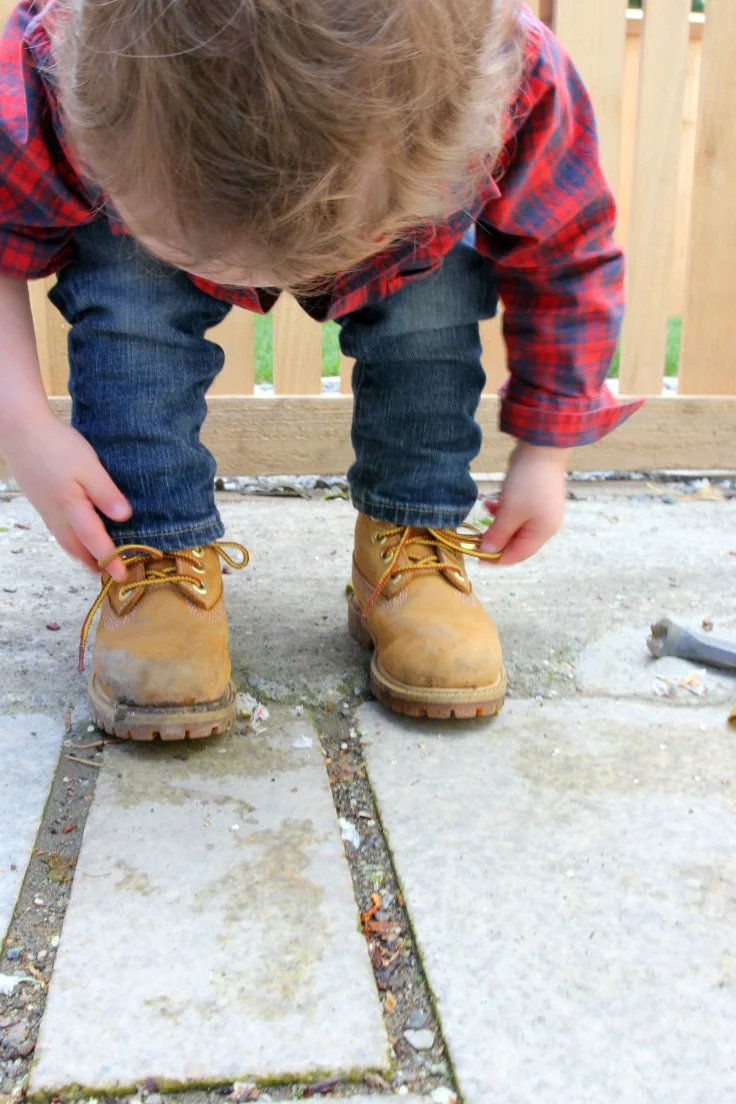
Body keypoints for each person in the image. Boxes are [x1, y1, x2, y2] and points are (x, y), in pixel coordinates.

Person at [0, 0, 640, 737]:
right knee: (127, 287)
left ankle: (410, 539)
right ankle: (155, 552)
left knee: (436, 288)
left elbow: (568, 255)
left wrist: (546, 453)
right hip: (141, 199)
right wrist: (22, 422)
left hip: (414, 219)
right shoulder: (51, 63)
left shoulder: (506, 70)